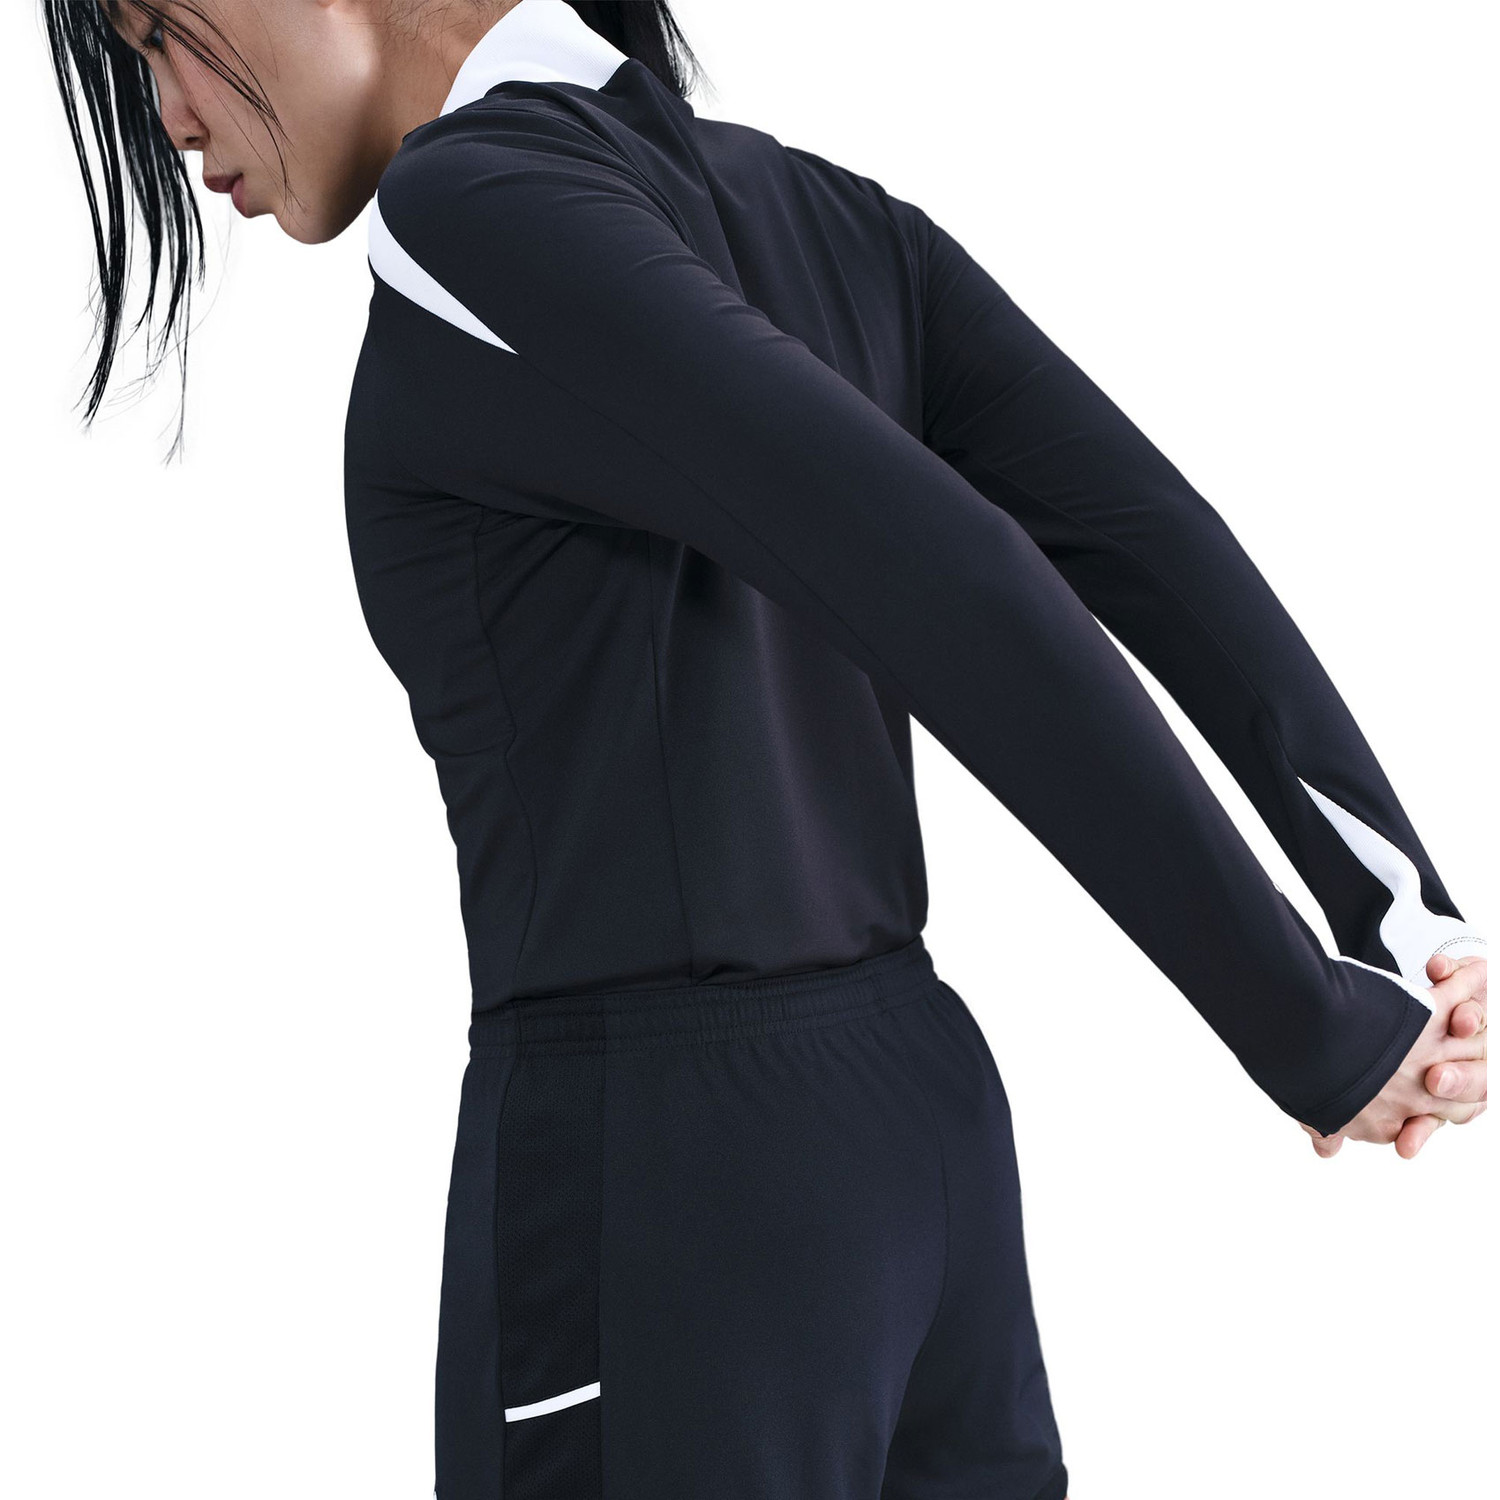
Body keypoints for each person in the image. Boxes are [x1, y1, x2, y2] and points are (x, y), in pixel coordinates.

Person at [48, 2, 1488, 1496]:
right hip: (920, 1143)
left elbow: (950, 573)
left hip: (669, 1179)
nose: (171, 115)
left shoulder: (464, 213)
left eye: (159, 31)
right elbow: (1147, 543)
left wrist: (1306, 1021)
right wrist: (1404, 921)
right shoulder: (822, 216)